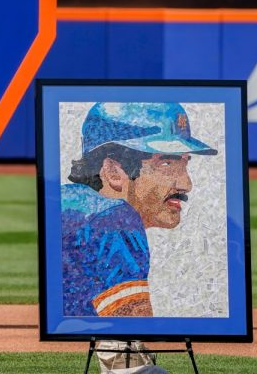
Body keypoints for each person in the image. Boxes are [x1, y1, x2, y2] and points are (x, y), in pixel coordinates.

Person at [61, 102, 217, 317]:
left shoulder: (69, 203)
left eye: (184, 164)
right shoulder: (114, 219)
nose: (185, 184)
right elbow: (131, 332)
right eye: (166, 164)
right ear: (113, 171)